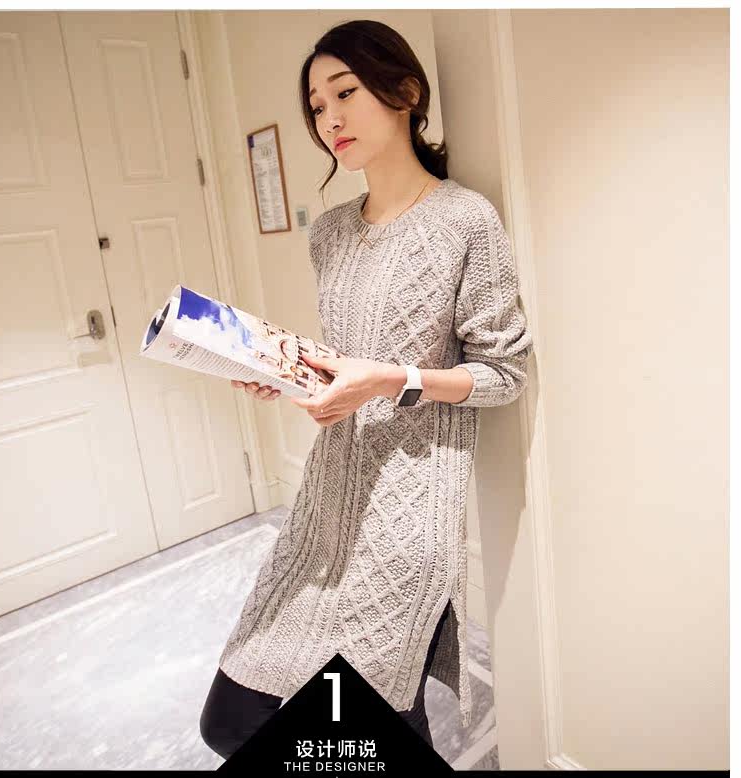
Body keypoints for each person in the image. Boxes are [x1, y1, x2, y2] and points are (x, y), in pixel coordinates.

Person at [200, 19, 534, 761]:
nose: (329, 118)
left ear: (405, 91)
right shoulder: (328, 232)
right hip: (326, 503)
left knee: (363, 722)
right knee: (231, 719)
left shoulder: (465, 220)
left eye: (345, 92)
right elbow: (352, 353)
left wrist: (392, 380)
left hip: (408, 517)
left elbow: (503, 374)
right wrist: (286, 368)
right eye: (317, 106)